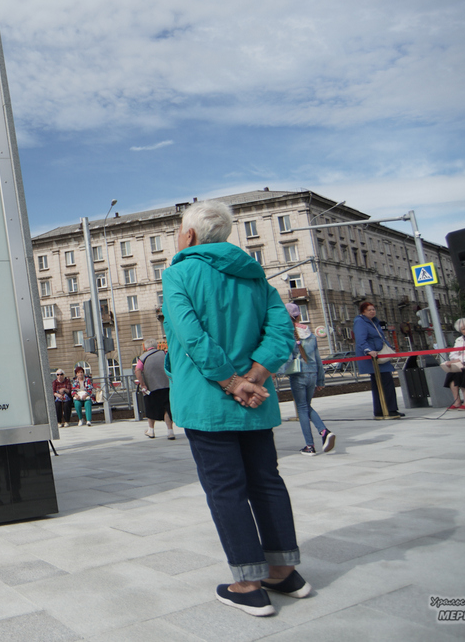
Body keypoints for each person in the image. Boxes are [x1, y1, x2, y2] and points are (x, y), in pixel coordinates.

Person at [162, 200, 306, 618]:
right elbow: (281, 331)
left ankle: (248, 585)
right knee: (266, 481)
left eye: (179, 230)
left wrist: (230, 382)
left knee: (226, 489)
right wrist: (255, 376)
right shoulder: (255, 274)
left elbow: (191, 335)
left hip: (207, 401)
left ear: (189, 235)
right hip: (256, 400)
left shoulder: (179, 273)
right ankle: (283, 572)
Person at [282, 304, 334, 455]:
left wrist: (276, 372)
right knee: (306, 406)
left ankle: (310, 445)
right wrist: (321, 380)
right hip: (312, 374)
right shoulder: (310, 334)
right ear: (299, 316)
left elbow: (288, 358)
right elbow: (318, 360)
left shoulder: (288, 333)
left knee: (302, 408)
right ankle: (323, 432)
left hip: (298, 375)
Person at [353, 301, 403, 418]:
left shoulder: (374, 321)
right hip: (373, 357)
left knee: (381, 383)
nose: (372, 311)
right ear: (363, 311)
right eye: (369, 310)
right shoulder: (360, 321)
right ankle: (389, 410)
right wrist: (368, 350)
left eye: (373, 309)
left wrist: (389, 348)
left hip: (380, 355)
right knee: (385, 382)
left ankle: (381, 410)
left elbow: (381, 337)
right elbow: (360, 339)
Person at [135, 339, 175, 439]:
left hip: (151, 388)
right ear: (156, 346)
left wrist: (143, 384)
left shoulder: (143, 357)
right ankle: (170, 431)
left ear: (146, 347)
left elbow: (137, 370)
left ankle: (151, 431)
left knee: (151, 408)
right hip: (166, 386)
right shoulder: (164, 354)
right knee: (167, 409)